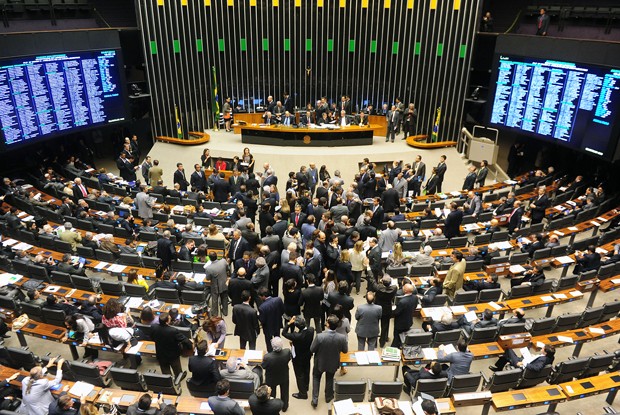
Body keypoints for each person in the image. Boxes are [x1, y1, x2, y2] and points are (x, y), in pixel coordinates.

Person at [310, 315, 348, 407]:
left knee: (316, 378)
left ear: (327, 324)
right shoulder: (342, 337)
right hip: (333, 361)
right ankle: (328, 397)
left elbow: (312, 349)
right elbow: (345, 350)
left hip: (320, 362)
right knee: (330, 378)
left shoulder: (319, 336)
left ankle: (315, 400)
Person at [282, 315, 314, 400]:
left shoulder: (296, 336)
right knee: (306, 370)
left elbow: (284, 333)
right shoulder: (311, 330)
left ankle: (303, 393)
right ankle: (306, 386)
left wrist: (289, 323)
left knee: (299, 374)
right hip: (307, 354)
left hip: (298, 357)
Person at [262, 337, 292, 411]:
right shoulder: (287, 352)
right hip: (284, 376)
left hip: (271, 378)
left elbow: (263, 366)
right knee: (285, 392)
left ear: (272, 346)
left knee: (272, 394)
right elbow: (289, 359)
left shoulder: (267, 357)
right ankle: (285, 407)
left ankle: (273, 408)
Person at [491, 344, 555, 372]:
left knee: (508, 350)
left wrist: (523, 363)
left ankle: (499, 368)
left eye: (543, 348)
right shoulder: (551, 357)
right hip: (528, 360)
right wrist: (533, 357)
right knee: (507, 356)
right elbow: (537, 361)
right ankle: (500, 367)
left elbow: (537, 368)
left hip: (521, 365)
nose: (542, 348)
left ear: (546, 353)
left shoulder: (543, 360)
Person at [258, 287, 285, 353]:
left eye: (260, 296)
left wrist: (258, 316)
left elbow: (262, 320)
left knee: (268, 340)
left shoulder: (262, 307)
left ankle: (270, 352)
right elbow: (282, 311)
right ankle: (279, 350)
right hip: (277, 323)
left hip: (268, 327)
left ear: (263, 296)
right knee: (277, 337)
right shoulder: (278, 300)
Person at [392, 283, 418, 348]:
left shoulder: (402, 302)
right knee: (404, 336)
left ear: (406, 291)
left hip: (400, 324)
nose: (402, 288)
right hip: (409, 321)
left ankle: (395, 348)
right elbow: (414, 307)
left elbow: (396, 313)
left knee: (397, 338)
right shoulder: (415, 297)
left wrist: (392, 311)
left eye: (404, 287)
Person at [205, 251, 229, 317]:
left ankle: (215, 314)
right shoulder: (223, 261)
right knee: (224, 298)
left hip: (215, 286)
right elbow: (227, 269)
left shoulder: (208, 268)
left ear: (209, 258)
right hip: (224, 284)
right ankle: (225, 312)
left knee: (214, 300)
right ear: (216, 256)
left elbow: (208, 278)